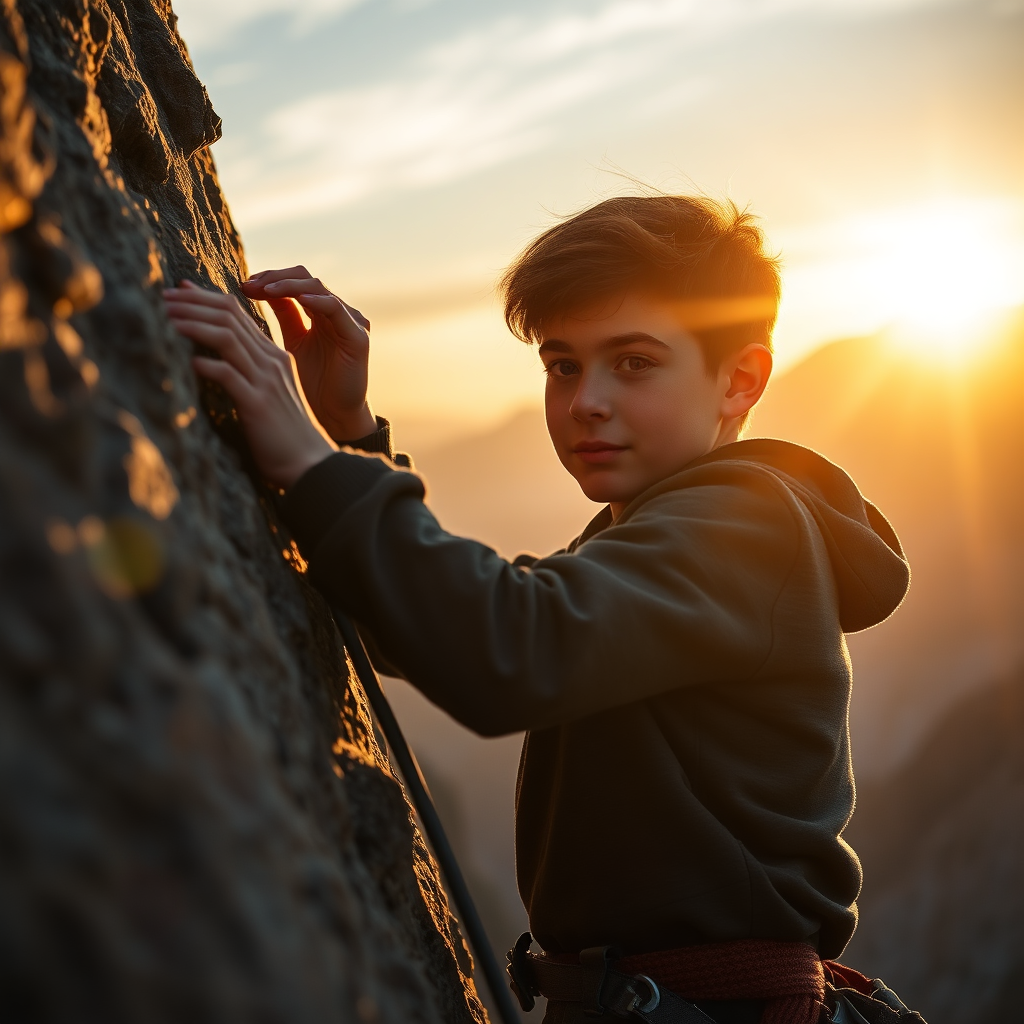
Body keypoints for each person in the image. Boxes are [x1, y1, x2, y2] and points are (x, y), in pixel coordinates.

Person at [164, 195, 914, 1024]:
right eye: (562, 365)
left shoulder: (745, 525)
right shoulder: (664, 520)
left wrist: (304, 453)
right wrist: (347, 434)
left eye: (632, 363)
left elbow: (505, 650)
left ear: (739, 379)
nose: (586, 400)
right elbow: (429, 634)